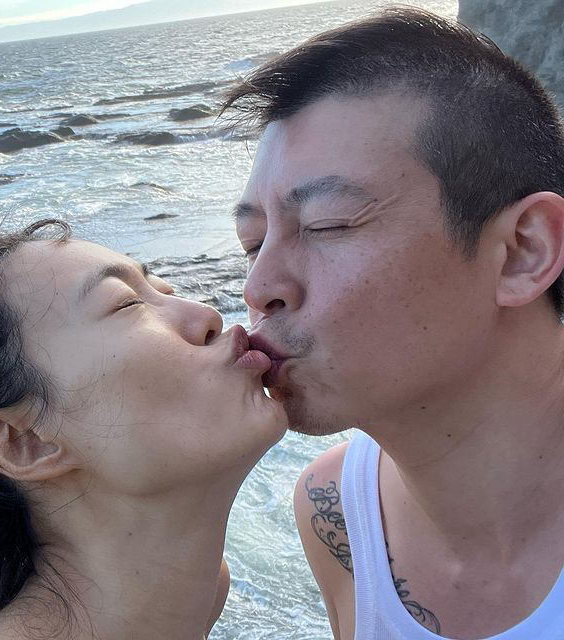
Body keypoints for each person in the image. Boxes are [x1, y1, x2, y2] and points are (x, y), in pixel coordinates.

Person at [221, 7, 564, 640]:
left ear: (523, 251)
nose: (258, 288)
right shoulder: (335, 511)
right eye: (252, 242)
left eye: (326, 225)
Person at [0, 219, 287, 640]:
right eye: (126, 304)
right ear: (25, 443)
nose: (207, 316)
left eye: (166, 291)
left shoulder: (194, 600)